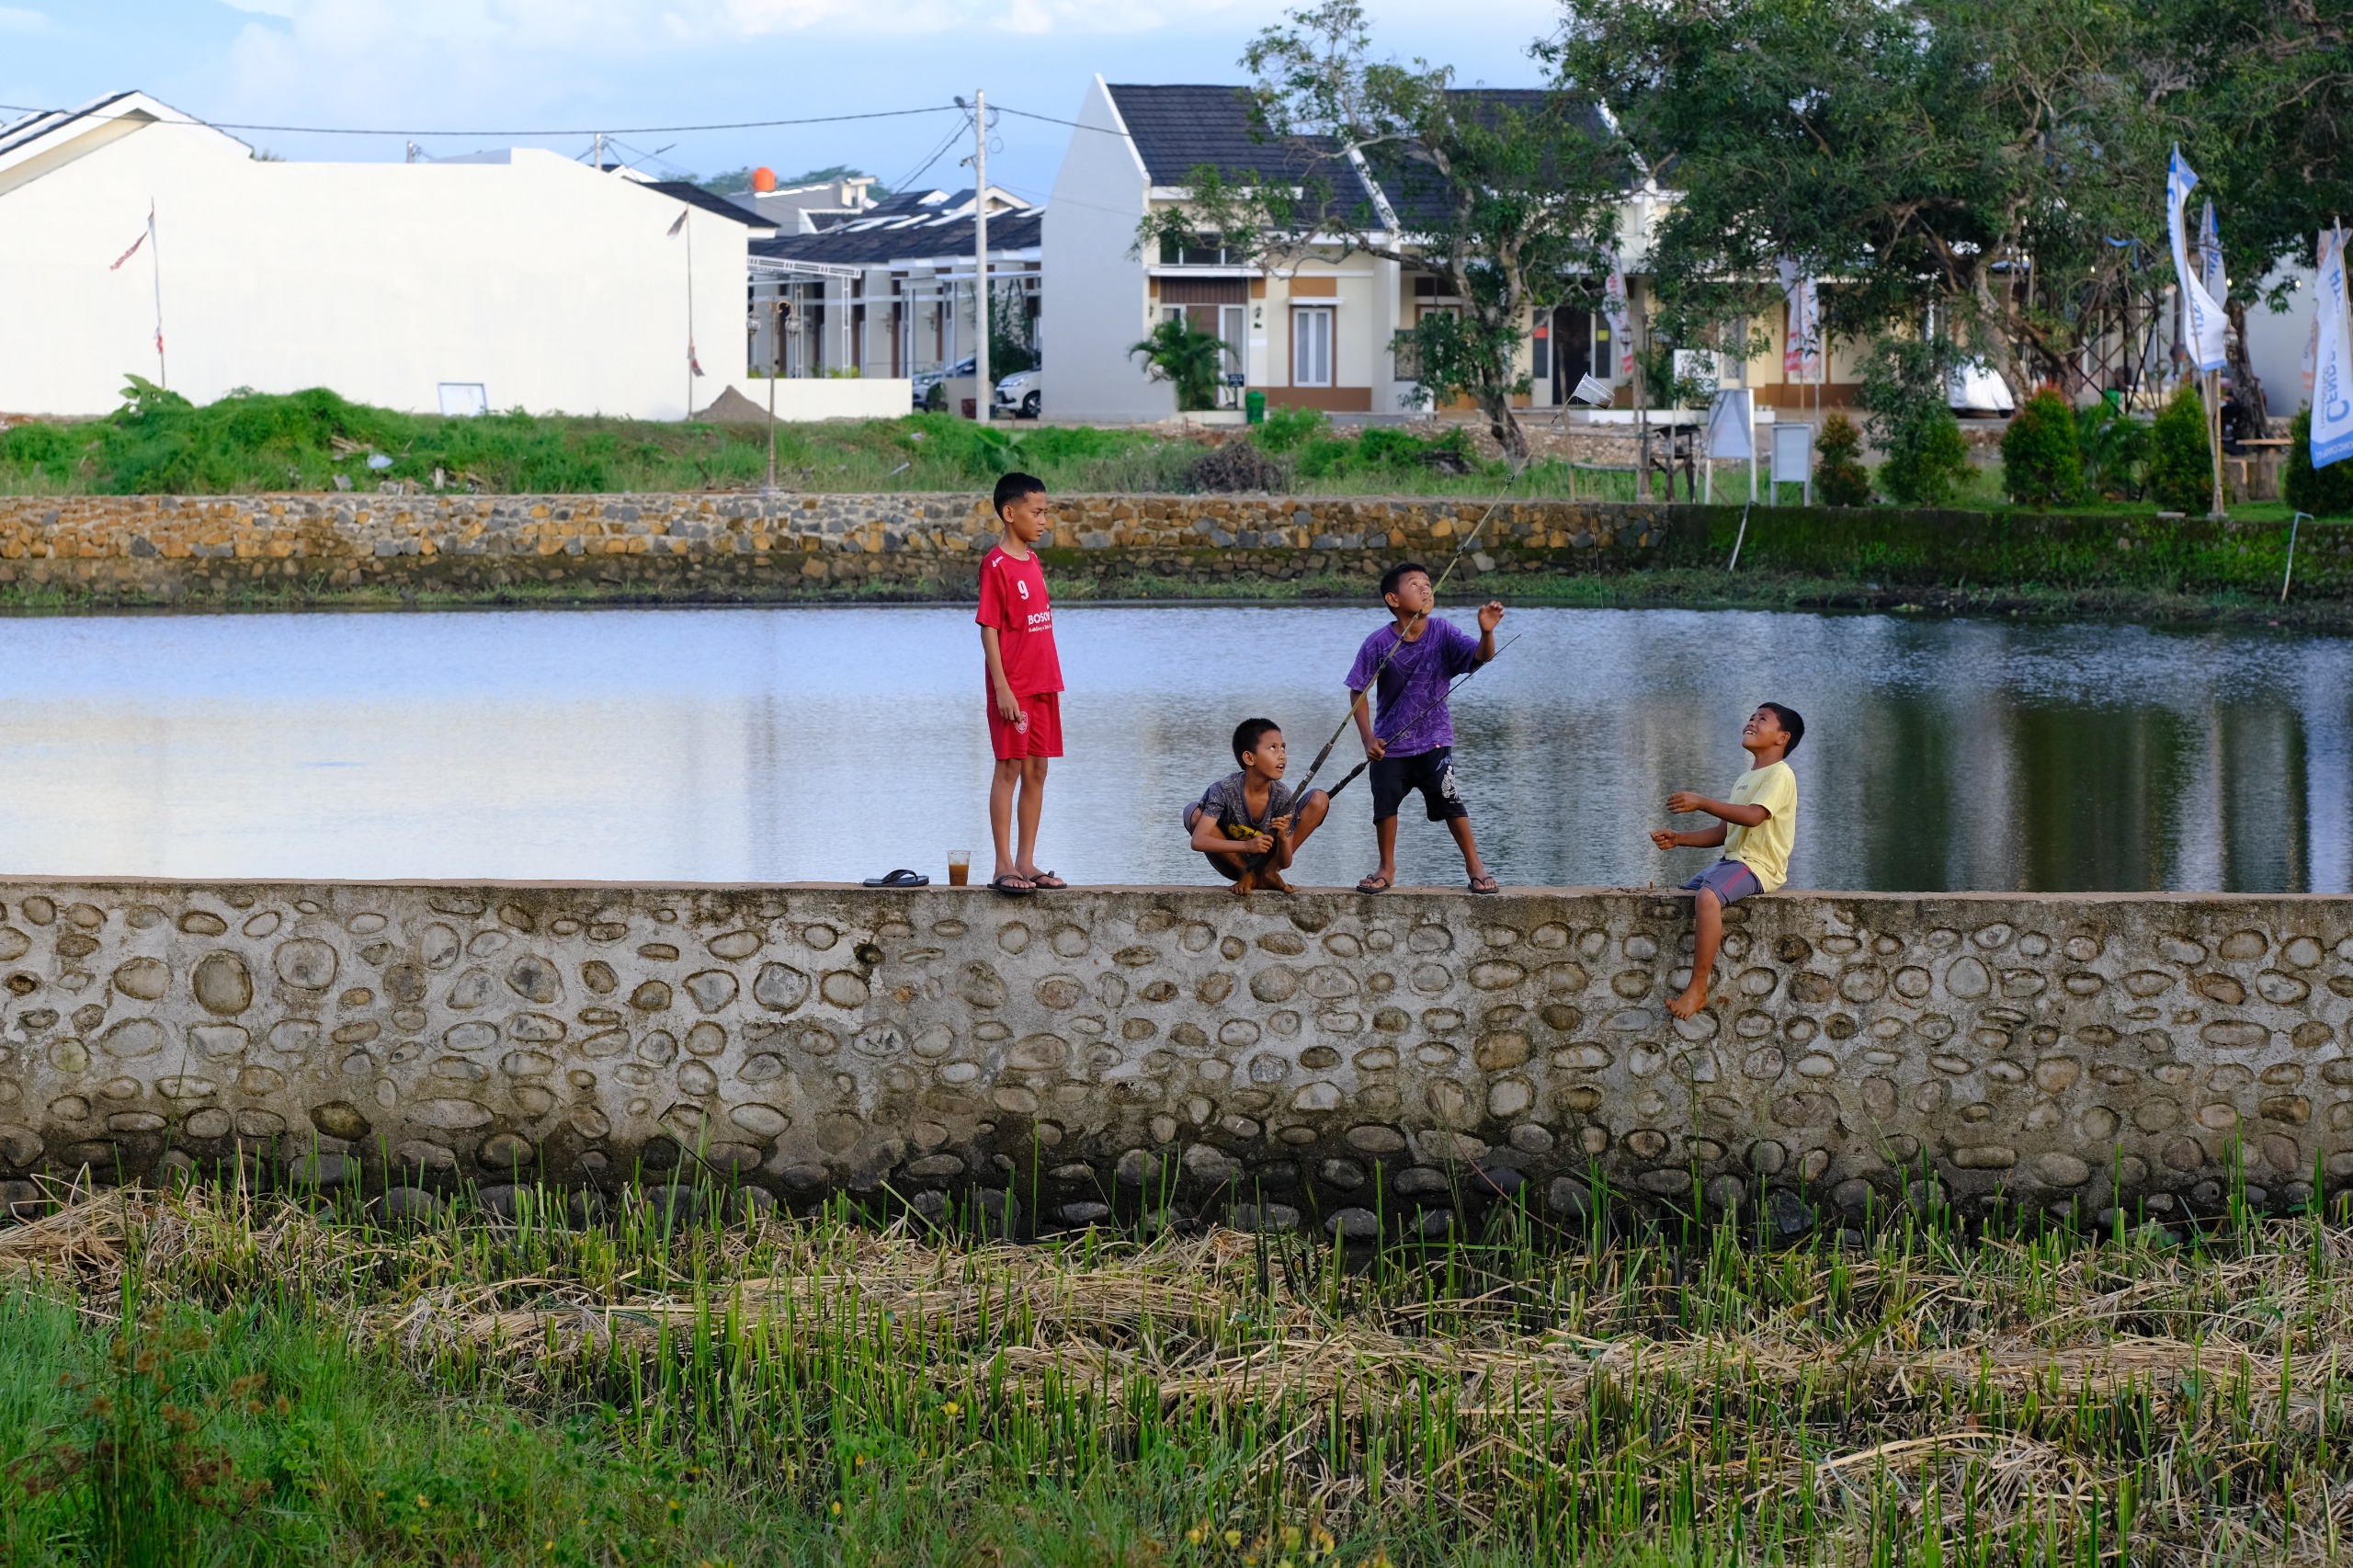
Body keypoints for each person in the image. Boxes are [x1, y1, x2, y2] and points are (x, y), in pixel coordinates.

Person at [1345, 562, 1504, 894]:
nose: (1425, 589)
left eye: (1428, 584)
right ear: (1393, 599)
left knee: (1451, 801)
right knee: (1384, 806)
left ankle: (1475, 865)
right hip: (1389, 745)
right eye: (1415, 584)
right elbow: (1358, 690)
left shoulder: (1443, 632)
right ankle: (1386, 868)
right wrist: (1368, 738)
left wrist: (1486, 632)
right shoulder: (1377, 642)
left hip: (1434, 741)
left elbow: (1480, 658)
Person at [1651, 702, 1805, 1019]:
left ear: (1782, 737)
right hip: (1732, 861)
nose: (1752, 722)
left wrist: (1702, 802)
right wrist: (1680, 839)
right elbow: (1725, 832)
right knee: (1680, 897)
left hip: (1758, 866)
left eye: (1763, 719)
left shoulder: (1780, 775)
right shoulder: (1746, 778)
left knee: (1707, 899)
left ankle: (1698, 987)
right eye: (1751, 717)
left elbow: (1752, 818)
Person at [976, 471, 1064, 895]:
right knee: (1008, 768)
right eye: (1037, 512)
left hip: (1044, 680)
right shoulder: (995, 565)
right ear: (1010, 514)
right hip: (1013, 686)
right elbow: (989, 629)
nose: (1044, 520)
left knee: (1037, 769)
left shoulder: (1032, 560)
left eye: (1046, 512)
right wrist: (1003, 689)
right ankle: (1003, 863)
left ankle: (1028, 862)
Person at [1184, 719, 1332, 894]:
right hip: (1232, 861)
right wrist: (1247, 847)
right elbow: (1198, 841)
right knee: (1193, 812)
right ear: (1249, 758)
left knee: (1320, 798)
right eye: (1272, 748)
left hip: (1269, 859)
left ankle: (1269, 873)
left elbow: (1286, 862)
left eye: (1283, 747)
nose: (1282, 755)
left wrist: (1283, 838)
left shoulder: (1283, 797)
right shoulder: (1224, 790)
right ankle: (1246, 872)